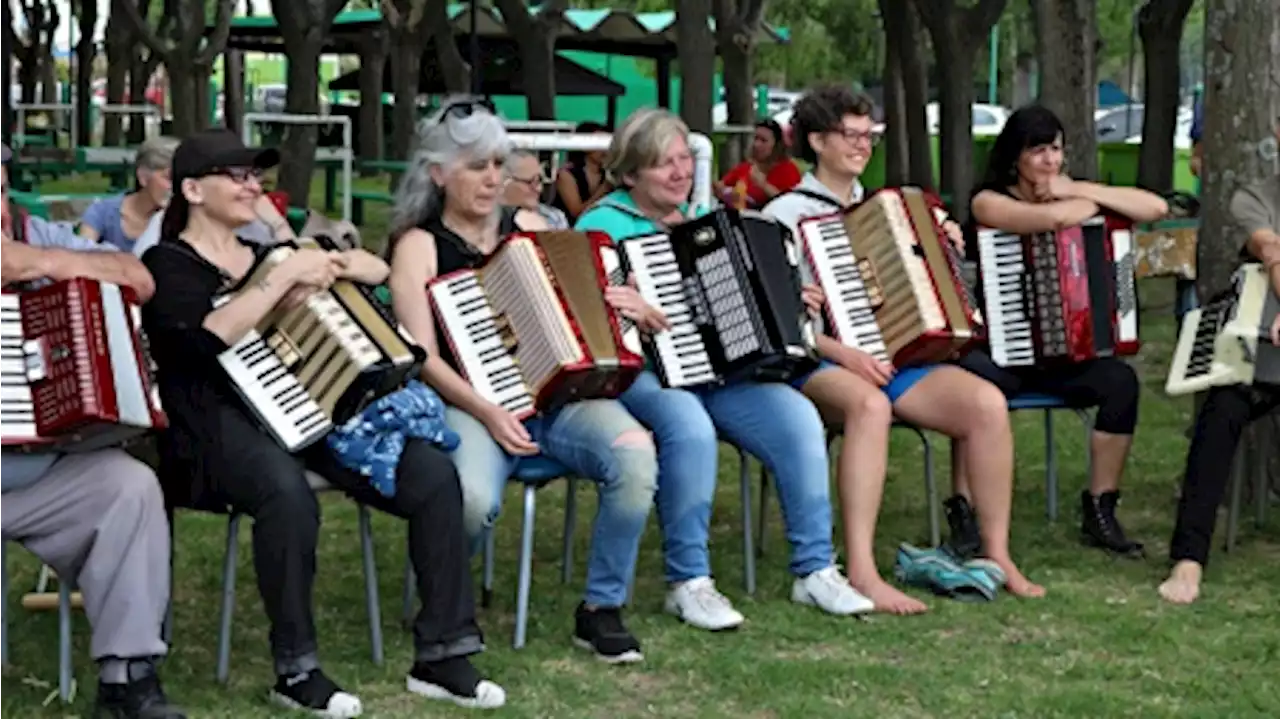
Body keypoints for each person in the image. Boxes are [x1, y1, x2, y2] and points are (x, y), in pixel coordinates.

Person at [140, 128, 504, 715]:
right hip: (207, 429)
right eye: (235, 176)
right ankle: (295, 669)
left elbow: (369, 287)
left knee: (432, 473)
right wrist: (281, 279)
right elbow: (206, 342)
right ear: (192, 190)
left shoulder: (266, 256)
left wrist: (345, 266)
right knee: (287, 495)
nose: (251, 185)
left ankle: (442, 651)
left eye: (254, 175)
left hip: (298, 412)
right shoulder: (168, 264)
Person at [575, 107, 871, 631]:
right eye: (664, 164)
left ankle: (816, 569)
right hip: (642, 374)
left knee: (799, 416)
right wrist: (629, 310)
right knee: (689, 426)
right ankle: (689, 581)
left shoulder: (700, 218)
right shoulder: (600, 226)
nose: (681, 172)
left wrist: (787, 296)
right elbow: (580, 315)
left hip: (716, 370)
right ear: (628, 175)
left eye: (684, 159)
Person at [385, 98, 658, 663]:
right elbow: (421, 357)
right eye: (474, 166)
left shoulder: (532, 228)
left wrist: (618, 302)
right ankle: (446, 593)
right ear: (439, 174)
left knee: (635, 457)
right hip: (465, 401)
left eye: (496, 164)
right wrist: (487, 410)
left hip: (558, 398)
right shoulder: (419, 246)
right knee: (473, 500)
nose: (491, 179)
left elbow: (583, 295)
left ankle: (601, 608)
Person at [761, 85, 1040, 607]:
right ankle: (862, 570)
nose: (864, 145)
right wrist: (843, 353)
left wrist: (948, 252)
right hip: (816, 359)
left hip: (890, 356)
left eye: (870, 135)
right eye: (852, 135)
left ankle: (995, 552)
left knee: (986, 403)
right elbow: (777, 323)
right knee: (867, 405)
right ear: (817, 141)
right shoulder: (783, 215)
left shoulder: (884, 209)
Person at [0, 143, 184, 718]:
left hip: (40, 473)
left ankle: (127, 680)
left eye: (0, 189)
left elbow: (138, 276)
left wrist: (34, 263)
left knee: (127, 486)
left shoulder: (39, 235)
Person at [957, 104, 1168, 559]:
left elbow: (1156, 207)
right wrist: (1091, 203)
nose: (1049, 162)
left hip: (1065, 355)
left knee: (1121, 383)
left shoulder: (1069, 193)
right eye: (1038, 151)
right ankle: (965, 509)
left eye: (1055, 150)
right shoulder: (988, 200)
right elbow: (1048, 223)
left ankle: (1100, 507)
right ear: (1015, 156)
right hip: (1004, 351)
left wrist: (1077, 189)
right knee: (975, 391)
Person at [1159, 119, 1280, 605]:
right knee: (1221, 410)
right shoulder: (1254, 198)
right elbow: (1270, 248)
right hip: (1262, 356)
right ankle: (1188, 560)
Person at [78, 135, 180, 251]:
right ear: (143, 176)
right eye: (169, 178)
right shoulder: (103, 212)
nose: (177, 187)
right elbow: (82, 255)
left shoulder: (181, 219)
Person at [714, 119, 802, 209]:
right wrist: (720, 190)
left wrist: (764, 185)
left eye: (763, 141)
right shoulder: (746, 167)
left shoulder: (789, 170)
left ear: (777, 146)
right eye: (755, 138)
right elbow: (722, 185)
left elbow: (791, 204)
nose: (757, 144)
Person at [553, 121, 611, 222]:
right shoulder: (567, 174)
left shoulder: (608, 172)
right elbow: (576, 213)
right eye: (599, 143)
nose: (605, 150)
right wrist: (605, 188)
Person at [502, 149, 569, 229]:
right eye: (530, 182)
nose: (539, 189)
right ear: (505, 181)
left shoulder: (555, 218)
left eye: (539, 180)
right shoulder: (488, 218)